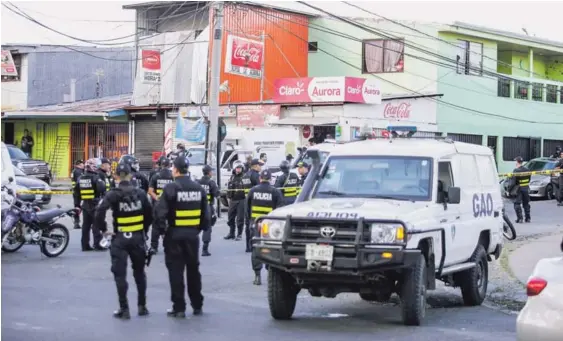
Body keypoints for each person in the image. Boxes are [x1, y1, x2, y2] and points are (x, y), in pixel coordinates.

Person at [152, 156, 210, 318]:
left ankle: (179, 308)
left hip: (174, 235)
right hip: (192, 236)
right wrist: (197, 230)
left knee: (176, 271)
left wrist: (163, 233)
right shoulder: (199, 188)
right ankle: (197, 305)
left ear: (176, 169)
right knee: (193, 270)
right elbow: (206, 216)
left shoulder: (171, 188)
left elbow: (160, 214)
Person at [94, 162, 153, 319]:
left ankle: (124, 309)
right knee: (140, 273)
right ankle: (142, 306)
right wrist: (144, 231)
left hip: (119, 239)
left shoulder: (113, 194)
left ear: (116, 177)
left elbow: (99, 212)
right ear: (130, 175)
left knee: (120, 275)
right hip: (137, 238)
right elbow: (149, 214)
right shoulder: (140, 193)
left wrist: (104, 230)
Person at [246, 169, 283, 285]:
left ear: (260, 178)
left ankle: (257, 276)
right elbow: (280, 209)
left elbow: (247, 209)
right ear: (271, 179)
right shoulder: (275, 192)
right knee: (271, 248)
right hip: (270, 226)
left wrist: (250, 222)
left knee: (256, 249)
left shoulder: (253, 191)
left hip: (256, 224)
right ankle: (270, 272)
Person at [75, 159, 107, 251]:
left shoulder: (80, 178)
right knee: (96, 225)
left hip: (85, 204)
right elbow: (102, 189)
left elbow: (76, 192)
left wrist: (77, 205)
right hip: (95, 204)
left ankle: (85, 245)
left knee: (86, 226)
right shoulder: (96, 177)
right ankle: (98, 244)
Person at [148, 157, 174, 253]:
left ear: (161, 165)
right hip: (169, 205)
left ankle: (154, 247)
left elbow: (150, 191)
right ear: (169, 165)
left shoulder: (155, 176)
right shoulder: (172, 176)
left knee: (156, 226)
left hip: (157, 205)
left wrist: (158, 198)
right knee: (169, 225)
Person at [197, 165, 219, 256]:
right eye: (211, 171)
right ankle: (204, 249)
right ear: (209, 172)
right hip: (207, 207)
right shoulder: (211, 183)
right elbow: (217, 194)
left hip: (197, 207)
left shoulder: (197, 182)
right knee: (207, 227)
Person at [242, 159, 261, 251]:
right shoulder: (255, 175)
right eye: (259, 165)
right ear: (255, 166)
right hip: (255, 202)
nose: (260, 167)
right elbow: (260, 188)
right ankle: (254, 244)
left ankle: (247, 246)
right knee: (255, 223)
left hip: (246, 201)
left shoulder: (245, 175)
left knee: (247, 223)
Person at [224, 161, 246, 241]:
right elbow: (229, 189)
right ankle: (231, 233)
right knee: (230, 217)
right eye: (237, 168)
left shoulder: (244, 177)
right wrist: (228, 198)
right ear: (234, 168)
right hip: (232, 200)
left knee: (240, 218)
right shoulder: (232, 177)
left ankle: (239, 234)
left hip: (241, 200)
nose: (238, 169)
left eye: (240, 168)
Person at [509, 156, 531, 223]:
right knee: (526, 204)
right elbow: (529, 179)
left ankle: (520, 218)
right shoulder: (527, 170)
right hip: (526, 188)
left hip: (519, 189)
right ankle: (528, 218)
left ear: (517, 162)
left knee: (517, 204)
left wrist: (509, 190)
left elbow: (513, 182)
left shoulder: (516, 170)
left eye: (515, 161)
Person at [71, 160, 84, 230]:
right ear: (79, 164)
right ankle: (77, 221)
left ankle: (76, 223)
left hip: (75, 192)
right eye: (82, 164)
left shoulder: (73, 171)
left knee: (77, 206)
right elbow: (80, 182)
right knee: (83, 206)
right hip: (79, 192)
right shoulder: (79, 172)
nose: (83, 165)